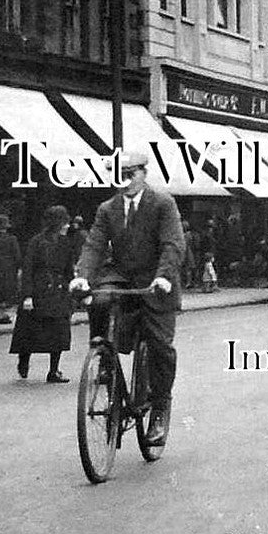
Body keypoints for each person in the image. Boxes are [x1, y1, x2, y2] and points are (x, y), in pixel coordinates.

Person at [70, 150, 184, 448]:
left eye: (130, 174)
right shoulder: (108, 208)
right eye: (119, 176)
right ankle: (104, 356)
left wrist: (164, 277)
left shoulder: (162, 203)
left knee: (159, 344)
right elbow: (94, 244)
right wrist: (83, 275)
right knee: (99, 299)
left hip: (157, 282)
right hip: (123, 276)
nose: (125, 181)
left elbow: (173, 245)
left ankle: (159, 408)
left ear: (144, 173)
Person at [11, 206, 77, 383]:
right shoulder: (37, 242)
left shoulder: (65, 243)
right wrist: (27, 296)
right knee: (30, 330)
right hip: (38, 291)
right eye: (65, 222)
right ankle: (24, 361)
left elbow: (69, 270)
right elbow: (28, 269)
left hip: (59, 292)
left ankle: (54, 370)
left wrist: (73, 289)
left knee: (59, 332)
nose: (67, 226)